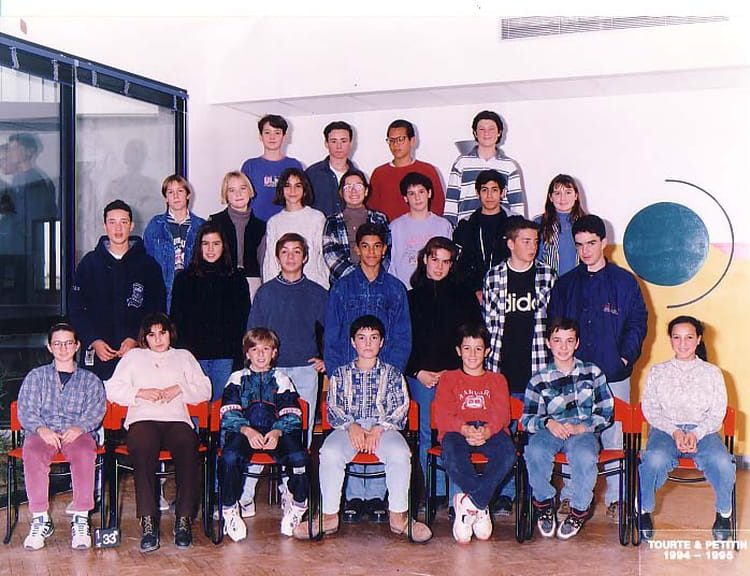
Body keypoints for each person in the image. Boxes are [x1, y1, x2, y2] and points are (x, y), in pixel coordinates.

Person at [294, 315, 432, 543]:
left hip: (384, 430)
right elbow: (333, 407)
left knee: (400, 453)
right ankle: (328, 517)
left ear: (382, 342)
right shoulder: (340, 374)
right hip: (348, 428)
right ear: (352, 342)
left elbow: (401, 407)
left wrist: (379, 428)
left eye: (374, 338)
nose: (368, 343)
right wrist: (352, 426)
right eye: (362, 338)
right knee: (329, 452)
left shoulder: (393, 374)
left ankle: (399, 517)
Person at [547, 214, 647, 519]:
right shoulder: (565, 284)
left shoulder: (624, 282)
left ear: (604, 242)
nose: (585, 250)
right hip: (571, 377)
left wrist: (624, 357)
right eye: (579, 245)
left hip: (613, 374)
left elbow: (637, 322)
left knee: (614, 437)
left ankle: (616, 499)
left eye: (591, 243)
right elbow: (553, 325)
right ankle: (570, 497)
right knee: (571, 436)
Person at [324, 222, 410, 524]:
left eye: (377, 246)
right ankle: (352, 497)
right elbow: (333, 335)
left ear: (384, 249)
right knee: (350, 434)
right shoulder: (342, 288)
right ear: (356, 250)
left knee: (379, 436)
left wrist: (390, 375)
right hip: (349, 378)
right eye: (365, 246)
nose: (371, 252)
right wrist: (336, 374)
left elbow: (401, 337)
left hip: (383, 381)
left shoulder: (395, 289)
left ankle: (374, 497)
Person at [104, 313, 211, 552]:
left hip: (176, 419)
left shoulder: (183, 356)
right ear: (145, 338)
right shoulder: (133, 357)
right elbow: (112, 388)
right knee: (142, 449)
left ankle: (183, 520)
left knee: (188, 445)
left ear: (170, 333)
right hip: (143, 419)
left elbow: (205, 388)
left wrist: (180, 389)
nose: (158, 339)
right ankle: (148, 522)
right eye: (152, 335)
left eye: (162, 333)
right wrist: (139, 393)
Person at [638, 316, 735, 542]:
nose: (683, 344)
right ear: (670, 340)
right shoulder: (658, 371)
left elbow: (717, 413)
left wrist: (695, 433)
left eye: (689, 337)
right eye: (677, 338)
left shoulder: (712, 373)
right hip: (665, 431)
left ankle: (724, 513)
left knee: (723, 461)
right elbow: (650, 409)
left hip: (703, 432)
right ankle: (643, 509)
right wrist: (674, 431)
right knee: (654, 459)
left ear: (698, 339)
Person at [483, 217, 556, 514]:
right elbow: (489, 325)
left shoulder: (547, 275)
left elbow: (553, 323)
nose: (532, 246)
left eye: (535, 241)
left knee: (535, 438)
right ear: (511, 244)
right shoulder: (494, 277)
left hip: (536, 370)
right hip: (502, 369)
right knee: (502, 435)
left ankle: (534, 495)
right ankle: (504, 493)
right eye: (526, 241)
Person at [522, 317, 614, 540]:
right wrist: (548, 423)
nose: (563, 347)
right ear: (548, 343)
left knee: (585, 455)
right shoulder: (539, 378)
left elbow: (606, 411)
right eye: (557, 340)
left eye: (569, 340)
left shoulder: (593, 372)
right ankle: (544, 504)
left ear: (577, 343)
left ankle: (579, 510)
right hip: (550, 431)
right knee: (534, 451)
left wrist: (583, 427)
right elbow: (527, 418)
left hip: (582, 432)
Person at [17, 322, 106, 551]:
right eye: (57, 343)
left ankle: (81, 518)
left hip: (76, 433)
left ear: (77, 346)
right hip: (43, 433)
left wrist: (80, 427)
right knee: (32, 451)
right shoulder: (36, 377)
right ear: (49, 347)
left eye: (68, 343)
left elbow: (96, 410)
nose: (63, 348)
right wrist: (41, 429)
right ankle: (40, 519)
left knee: (85, 452)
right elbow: (25, 410)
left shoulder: (90, 380)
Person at [406, 236, 482, 500]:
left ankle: (456, 494)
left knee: (455, 433)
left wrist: (456, 372)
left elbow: (474, 337)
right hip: (422, 376)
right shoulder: (410, 298)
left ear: (452, 265)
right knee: (426, 432)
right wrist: (417, 371)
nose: (439, 267)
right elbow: (402, 341)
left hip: (456, 376)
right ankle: (434, 491)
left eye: (446, 262)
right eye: (435, 259)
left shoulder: (464, 296)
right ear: (424, 260)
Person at [219, 328, 310, 541]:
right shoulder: (236, 378)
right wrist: (246, 429)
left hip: (276, 432)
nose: (260, 354)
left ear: (274, 353)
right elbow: (228, 412)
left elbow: (292, 412)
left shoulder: (281, 379)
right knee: (229, 457)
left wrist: (277, 431)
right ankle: (230, 509)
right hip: (244, 432)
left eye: (266, 349)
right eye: (255, 349)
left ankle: (298, 505)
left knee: (299, 458)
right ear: (247, 353)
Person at [435, 323, 516, 543]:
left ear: (487, 351)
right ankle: (481, 505)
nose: (472, 354)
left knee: (508, 453)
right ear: (458, 351)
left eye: (478, 349)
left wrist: (487, 431)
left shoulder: (497, 380)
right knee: (451, 453)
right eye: (467, 348)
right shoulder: (448, 378)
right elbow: (443, 414)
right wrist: (464, 428)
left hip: (490, 429)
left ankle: (469, 503)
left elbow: (502, 415)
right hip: (457, 430)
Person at [69, 199, 166, 380]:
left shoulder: (148, 265)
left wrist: (136, 338)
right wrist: (94, 340)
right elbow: (76, 309)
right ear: (105, 226)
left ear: (132, 226)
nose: (118, 228)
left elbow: (156, 309)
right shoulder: (89, 264)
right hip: (98, 353)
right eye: (112, 222)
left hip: (138, 352)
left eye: (123, 222)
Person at [250, 233, 327, 445]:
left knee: (302, 428)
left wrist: (326, 359)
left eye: (296, 252)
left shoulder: (317, 293)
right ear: (277, 258)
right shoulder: (265, 293)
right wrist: (258, 365)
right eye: (285, 252)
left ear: (305, 257)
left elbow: (333, 329)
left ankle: (298, 467)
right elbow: (253, 333)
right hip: (272, 370)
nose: (290, 257)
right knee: (270, 426)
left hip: (306, 369)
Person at [170, 222, 250, 402]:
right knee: (196, 408)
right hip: (193, 356)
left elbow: (243, 320)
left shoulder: (237, 278)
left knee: (221, 408)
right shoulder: (184, 279)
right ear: (198, 247)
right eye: (205, 243)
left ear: (224, 246)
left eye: (216, 243)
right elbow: (176, 320)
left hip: (225, 356)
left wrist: (238, 355)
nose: (210, 249)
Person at [445, 110, 525, 226]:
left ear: (499, 133)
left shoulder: (509, 166)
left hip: (501, 229)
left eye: (491, 129)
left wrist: (519, 230)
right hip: (468, 228)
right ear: (475, 133)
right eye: (482, 129)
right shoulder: (461, 163)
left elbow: (517, 206)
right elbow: (451, 202)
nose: (486, 133)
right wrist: (450, 230)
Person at [143, 174, 206, 310]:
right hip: (162, 293)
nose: (176, 196)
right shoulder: (155, 225)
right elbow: (147, 262)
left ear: (188, 195)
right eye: (171, 192)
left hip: (194, 292)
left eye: (180, 191)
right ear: (166, 198)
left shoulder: (201, 226)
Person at [262, 168, 329, 289]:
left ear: (305, 190)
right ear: (281, 190)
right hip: (282, 287)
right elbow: (270, 261)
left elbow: (323, 256)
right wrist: (272, 289)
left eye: (298, 186)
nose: (292, 190)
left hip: (313, 285)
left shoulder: (317, 218)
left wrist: (323, 287)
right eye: (288, 186)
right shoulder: (274, 222)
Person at [322, 168, 390, 285]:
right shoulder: (332, 221)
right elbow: (330, 254)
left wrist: (372, 275)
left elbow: (387, 251)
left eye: (358, 186)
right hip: (343, 283)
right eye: (348, 187)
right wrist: (356, 277)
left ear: (366, 191)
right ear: (341, 193)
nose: (353, 190)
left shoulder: (379, 219)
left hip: (376, 281)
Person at [368, 119, 445, 221]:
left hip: (423, 229)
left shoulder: (428, 170)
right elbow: (372, 208)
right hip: (388, 229)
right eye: (391, 140)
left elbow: (438, 206)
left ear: (412, 141)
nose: (396, 144)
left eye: (400, 139)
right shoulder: (379, 173)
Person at [452, 169, 511, 302]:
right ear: (477, 193)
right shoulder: (465, 225)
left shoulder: (514, 223)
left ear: (502, 192)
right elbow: (459, 266)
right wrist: (475, 290)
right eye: (484, 190)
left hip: (508, 293)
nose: (489, 195)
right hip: (472, 296)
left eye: (494, 190)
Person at [208, 171, 266, 300]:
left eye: (243, 188)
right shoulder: (214, 222)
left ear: (250, 191)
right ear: (226, 195)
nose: (238, 194)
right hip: (220, 282)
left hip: (253, 284)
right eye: (232, 190)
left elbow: (264, 264)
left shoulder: (261, 227)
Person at [389, 172, 453, 288]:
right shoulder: (395, 227)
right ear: (405, 198)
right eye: (411, 193)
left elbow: (448, 261)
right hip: (404, 290)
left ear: (429, 193)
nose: (417, 198)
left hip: (436, 289)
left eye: (421, 192)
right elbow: (392, 264)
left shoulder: (443, 226)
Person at [240, 114, 304, 222]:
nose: (272, 137)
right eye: (267, 132)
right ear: (260, 136)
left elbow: (302, 199)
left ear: (284, 137)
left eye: (277, 133)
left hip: (288, 224)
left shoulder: (294, 165)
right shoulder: (250, 166)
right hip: (256, 225)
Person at [534, 174, 586, 276]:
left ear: (576, 196)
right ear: (550, 197)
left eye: (568, 192)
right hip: (548, 280)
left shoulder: (586, 222)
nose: (563, 198)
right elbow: (535, 258)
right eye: (557, 193)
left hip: (579, 281)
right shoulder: (539, 223)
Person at [306, 120, 357, 217]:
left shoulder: (357, 177)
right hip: (319, 226)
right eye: (334, 141)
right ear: (326, 143)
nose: (339, 146)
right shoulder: (312, 174)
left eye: (343, 141)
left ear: (350, 143)